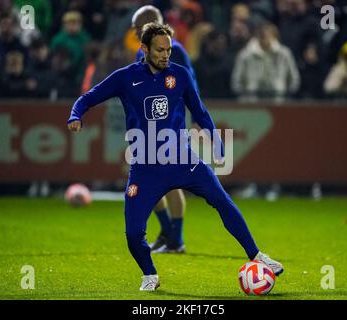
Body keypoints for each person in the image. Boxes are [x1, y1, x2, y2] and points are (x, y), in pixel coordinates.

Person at [67, 22, 283, 291]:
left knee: (222, 201)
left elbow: (200, 111)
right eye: (160, 50)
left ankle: (258, 256)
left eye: (169, 49)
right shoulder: (125, 78)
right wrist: (75, 115)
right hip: (145, 167)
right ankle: (150, 275)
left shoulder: (179, 75)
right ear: (144, 49)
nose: (166, 55)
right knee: (133, 233)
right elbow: (87, 98)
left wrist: (214, 139)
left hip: (183, 160)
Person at [131, 5, 197, 254]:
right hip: (150, 126)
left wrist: (194, 116)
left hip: (171, 126)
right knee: (148, 178)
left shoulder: (175, 51)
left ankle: (175, 239)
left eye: (138, 27)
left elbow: (190, 85)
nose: (135, 32)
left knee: (170, 181)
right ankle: (169, 233)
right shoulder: (144, 52)